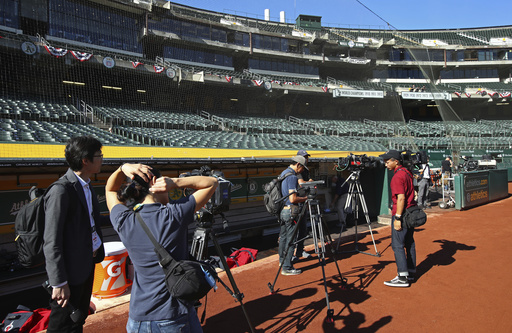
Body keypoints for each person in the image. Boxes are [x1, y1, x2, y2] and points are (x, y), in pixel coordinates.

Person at [106, 163, 218, 333]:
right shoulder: (174, 214)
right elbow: (211, 182)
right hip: (173, 316)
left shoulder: (123, 219)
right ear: (156, 184)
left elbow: (110, 190)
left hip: (138, 319)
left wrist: (122, 168)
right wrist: (175, 182)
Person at [43, 135, 106, 332]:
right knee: (62, 325)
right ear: (85, 160)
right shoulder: (61, 191)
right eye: (99, 155)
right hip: (69, 275)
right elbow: (51, 241)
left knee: (78, 319)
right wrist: (59, 282)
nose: (102, 159)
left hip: (86, 265)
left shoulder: (86, 185)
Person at [379, 150, 417, 288]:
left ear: (396, 161)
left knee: (397, 245)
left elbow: (401, 198)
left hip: (402, 213)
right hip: (411, 212)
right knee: (409, 243)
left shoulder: (397, 176)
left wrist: (398, 218)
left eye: (388, 161)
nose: (386, 164)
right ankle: (411, 272)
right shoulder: (407, 172)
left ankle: (402, 277)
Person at [279, 155, 309, 276]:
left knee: (284, 238)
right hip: (291, 211)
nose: (302, 171)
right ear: (298, 165)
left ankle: (282, 261)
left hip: (283, 210)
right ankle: (287, 267)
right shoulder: (291, 176)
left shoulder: (283, 173)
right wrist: (306, 198)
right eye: (302, 168)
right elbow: (293, 198)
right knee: (291, 240)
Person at [292, 149, 313, 263]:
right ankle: (291, 253)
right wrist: (309, 183)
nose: (307, 159)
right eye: (305, 157)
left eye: (307, 157)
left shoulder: (305, 170)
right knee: (293, 230)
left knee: (303, 229)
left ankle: (300, 250)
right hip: (295, 203)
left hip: (304, 201)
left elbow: (308, 182)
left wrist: (309, 182)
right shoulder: (297, 169)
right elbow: (301, 183)